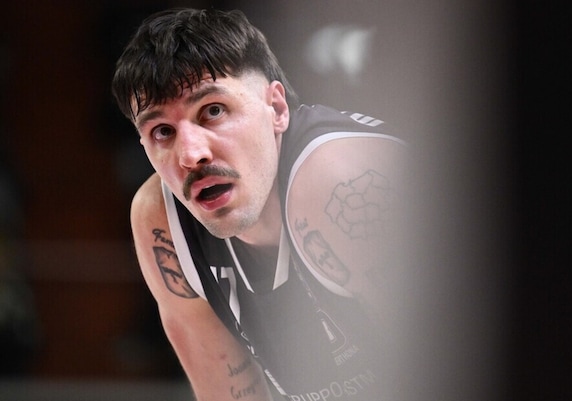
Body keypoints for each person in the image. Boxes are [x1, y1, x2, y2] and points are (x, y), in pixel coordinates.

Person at [111, 7, 409, 401]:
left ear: (278, 109)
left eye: (213, 111)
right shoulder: (162, 222)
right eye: (162, 131)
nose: (191, 155)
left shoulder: (343, 185)